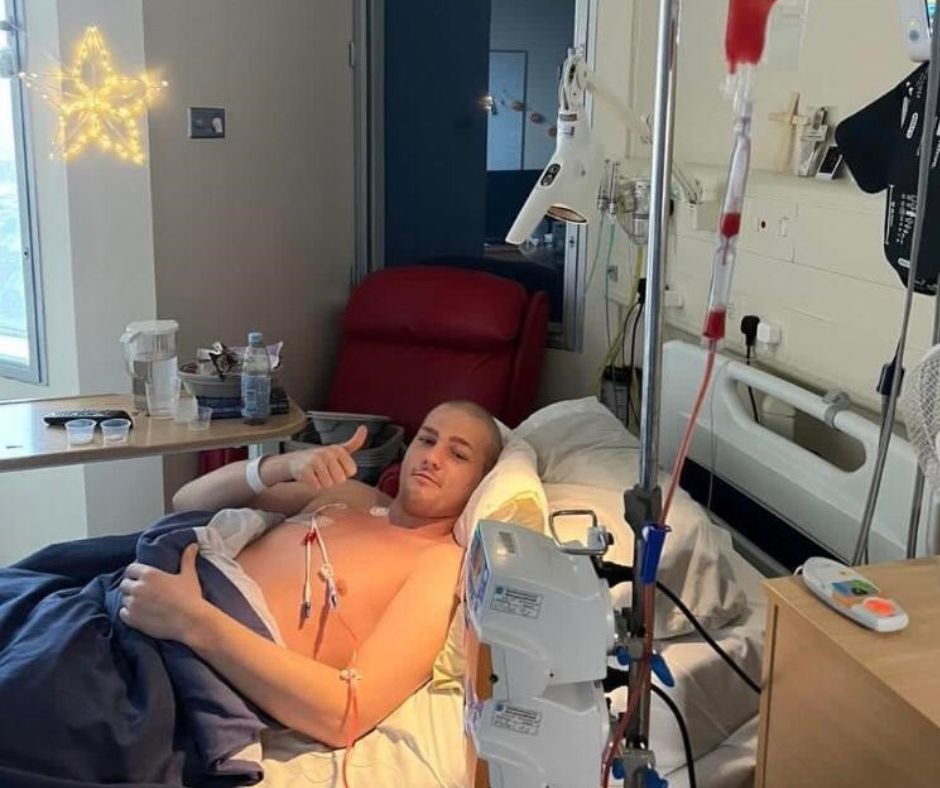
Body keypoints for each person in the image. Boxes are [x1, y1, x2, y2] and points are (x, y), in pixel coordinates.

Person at [117, 400, 502, 749]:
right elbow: (187, 501)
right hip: (146, 593)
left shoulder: (438, 565)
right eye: (427, 440)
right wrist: (281, 466)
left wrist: (192, 621)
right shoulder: (352, 496)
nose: (433, 457)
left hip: (183, 648)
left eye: (458, 454)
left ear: (480, 482)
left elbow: (347, 714)